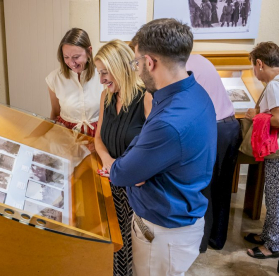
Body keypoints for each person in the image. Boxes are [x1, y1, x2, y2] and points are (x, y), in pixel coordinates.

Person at [109, 18, 217, 276]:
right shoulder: (192, 92)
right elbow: (142, 145)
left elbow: (121, 173)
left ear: (149, 62)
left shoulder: (170, 121)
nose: (136, 69)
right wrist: (139, 164)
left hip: (162, 231)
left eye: (136, 62)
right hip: (179, 218)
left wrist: (136, 167)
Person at [94, 39, 152, 276]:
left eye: (105, 72)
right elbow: (98, 138)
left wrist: (124, 169)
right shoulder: (106, 97)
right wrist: (107, 159)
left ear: (121, 67)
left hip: (136, 188)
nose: (102, 79)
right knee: (116, 248)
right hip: (112, 183)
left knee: (136, 250)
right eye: (99, 73)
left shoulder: (146, 97)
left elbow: (151, 147)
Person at [186, 54, 241, 252]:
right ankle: (217, 239)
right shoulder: (198, 58)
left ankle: (201, 242)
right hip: (231, 125)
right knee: (223, 187)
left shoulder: (183, 66)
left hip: (214, 128)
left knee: (205, 187)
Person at [244, 41, 279, 259]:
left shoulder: (274, 85)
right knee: (272, 194)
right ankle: (268, 235)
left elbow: (277, 118)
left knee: (275, 198)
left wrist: (254, 116)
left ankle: (273, 245)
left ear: (259, 63)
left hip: (277, 150)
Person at [46, 28, 104, 137]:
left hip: (98, 134)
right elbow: (55, 112)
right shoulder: (54, 78)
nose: (72, 63)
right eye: (66, 57)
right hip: (66, 135)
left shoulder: (102, 75)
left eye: (76, 57)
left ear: (89, 51)